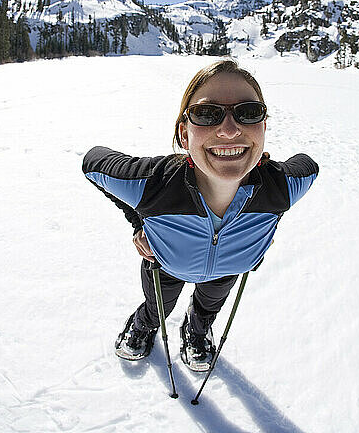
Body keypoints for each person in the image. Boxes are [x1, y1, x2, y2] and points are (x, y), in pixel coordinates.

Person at [82, 59, 319, 371]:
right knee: (157, 308)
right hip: (164, 266)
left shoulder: (281, 188)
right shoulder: (155, 184)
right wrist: (139, 221)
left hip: (226, 271)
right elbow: (93, 163)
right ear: (184, 134)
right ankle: (144, 326)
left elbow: (309, 164)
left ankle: (196, 332)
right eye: (207, 114)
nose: (230, 130)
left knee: (208, 307)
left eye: (249, 113)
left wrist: (263, 234)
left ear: (263, 127)